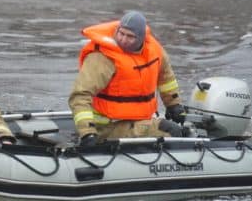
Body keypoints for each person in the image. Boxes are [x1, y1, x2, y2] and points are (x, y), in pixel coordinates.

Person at [69, 11, 187, 146]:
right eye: (121, 33)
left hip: (137, 120)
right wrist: (87, 132)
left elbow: (166, 78)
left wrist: (173, 104)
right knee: (169, 130)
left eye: (130, 36)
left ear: (141, 38)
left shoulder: (154, 51)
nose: (123, 40)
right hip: (106, 127)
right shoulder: (102, 58)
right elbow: (80, 95)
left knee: (180, 130)